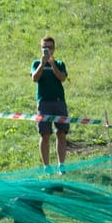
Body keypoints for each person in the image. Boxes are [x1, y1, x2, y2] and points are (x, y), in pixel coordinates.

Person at [31, 35, 69, 173]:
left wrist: (52, 64)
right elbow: (35, 78)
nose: (47, 50)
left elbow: (62, 78)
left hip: (59, 101)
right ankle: (46, 166)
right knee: (45, 134)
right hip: (43, 102)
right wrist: (42, 64)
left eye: (49, 47)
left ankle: (61, 165)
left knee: (61, 133)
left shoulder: (59, 63)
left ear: (54, 49)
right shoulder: (36, 63)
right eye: (44, 47)